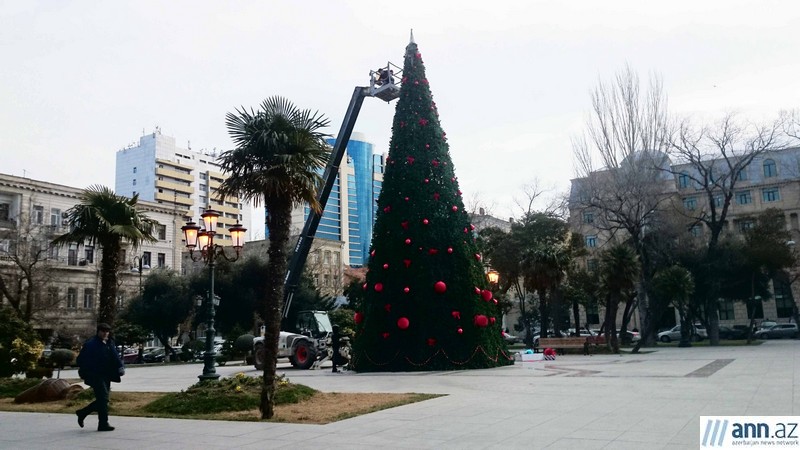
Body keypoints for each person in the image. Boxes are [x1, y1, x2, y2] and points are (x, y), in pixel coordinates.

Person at [75, 323, 125, 432]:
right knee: (103, 398)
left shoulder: (108, 343)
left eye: (107, 331)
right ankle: (102, 423)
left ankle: (84, 413)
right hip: (95, 375)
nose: (105, 333)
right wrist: (89, 370)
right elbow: (80, 360)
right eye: (103, 331)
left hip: (106, 375)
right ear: (98, 331)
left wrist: (120, 367)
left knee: (103, 400)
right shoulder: (91, 344)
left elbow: (115, 356)